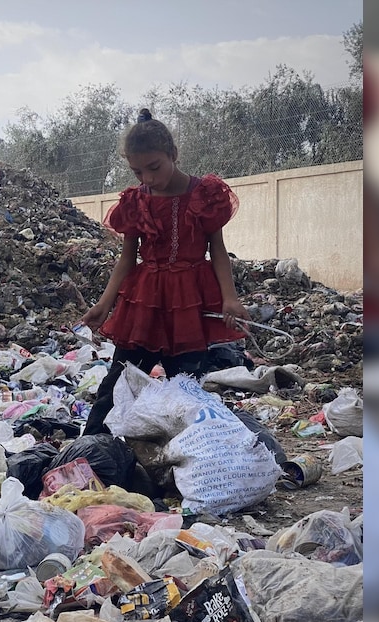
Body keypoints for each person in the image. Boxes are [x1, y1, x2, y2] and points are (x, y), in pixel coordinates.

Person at [80, 109, 249, 435]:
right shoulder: (136, 201)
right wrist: (104, 304)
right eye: (137, 171)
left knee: (186, 389)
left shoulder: (205, 194)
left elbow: (218, 251)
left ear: (173, 154)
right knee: (118, 385)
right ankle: (88, 453)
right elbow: (128, 259)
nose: (147, 179)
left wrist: (230, 299)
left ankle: (187, 459)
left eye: (154, 167)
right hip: (145, 303)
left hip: (190, 301)